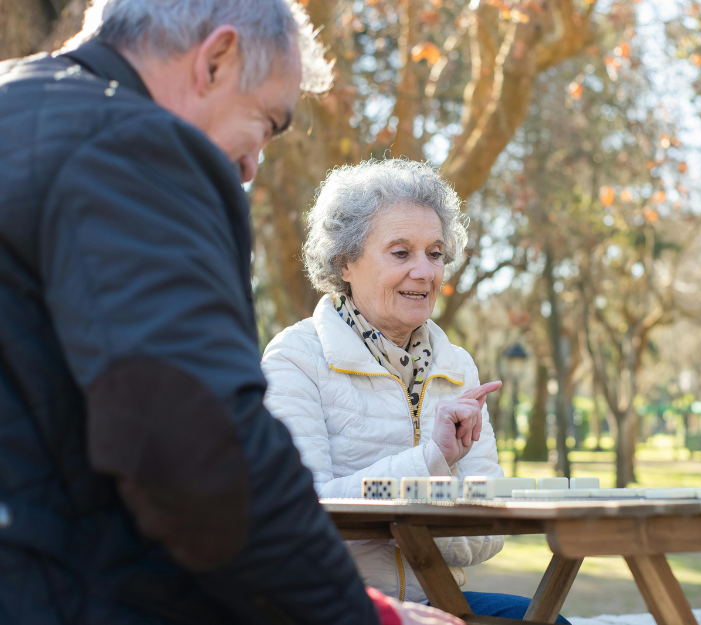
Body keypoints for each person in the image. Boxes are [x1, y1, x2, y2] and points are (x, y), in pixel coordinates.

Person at [0, 2, 462, 624]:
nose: (251, 165)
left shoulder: (18, 105)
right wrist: (361, 614)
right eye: (267, 123)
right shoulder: (135, 149)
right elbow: (197, 448)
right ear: (216, 59)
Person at [261, 159, 568, 623]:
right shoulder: (295, 357)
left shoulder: (457, 365)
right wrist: (432, 463)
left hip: (437, 601)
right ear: (345, 262)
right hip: (332, 608)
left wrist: (426, 518)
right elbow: (300, 511)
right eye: (401, 253)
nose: (425, 272)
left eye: (436, 253)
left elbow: (490, 534)